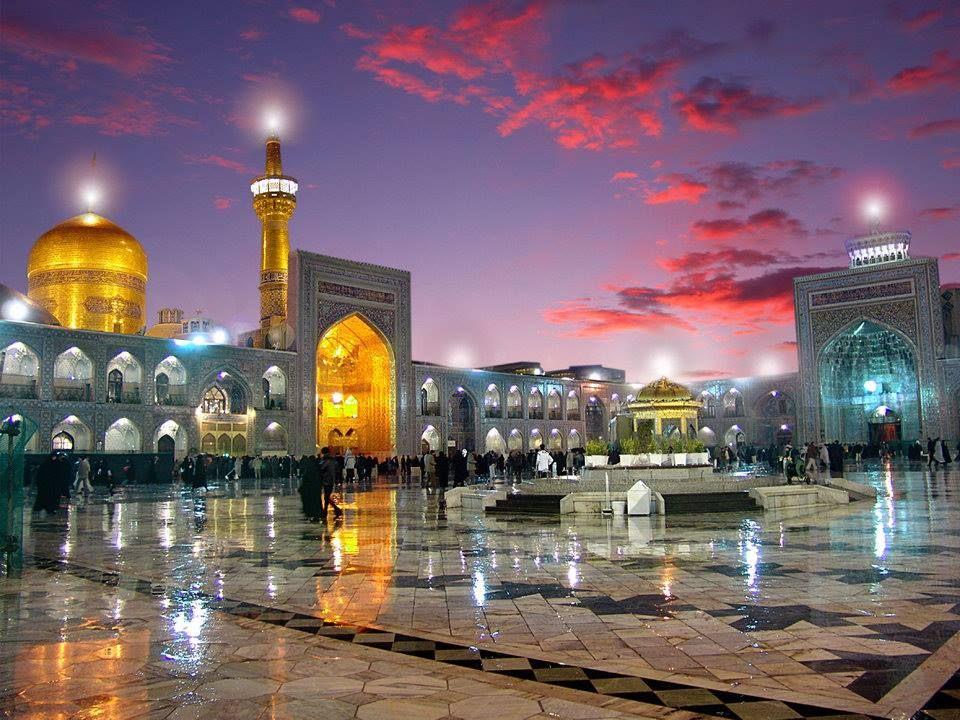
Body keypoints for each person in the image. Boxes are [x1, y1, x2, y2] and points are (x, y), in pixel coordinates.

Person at [318, 447, 344, 519]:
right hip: (331, 480)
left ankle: (333, 510)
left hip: (326, 480)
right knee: (326, 497)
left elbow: (321, 468)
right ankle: (328, 510)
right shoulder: (333, 461)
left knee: (326, 497)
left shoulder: (325, 461)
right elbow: (338, 470)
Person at [299, 454, 322, 522]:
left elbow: (306, 479)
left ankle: (311, 514)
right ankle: (316, 514)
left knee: (310, 502)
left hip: (309, 488)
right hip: (316, 488)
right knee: (316, 502)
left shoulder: (309, 468)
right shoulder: (317, 467)